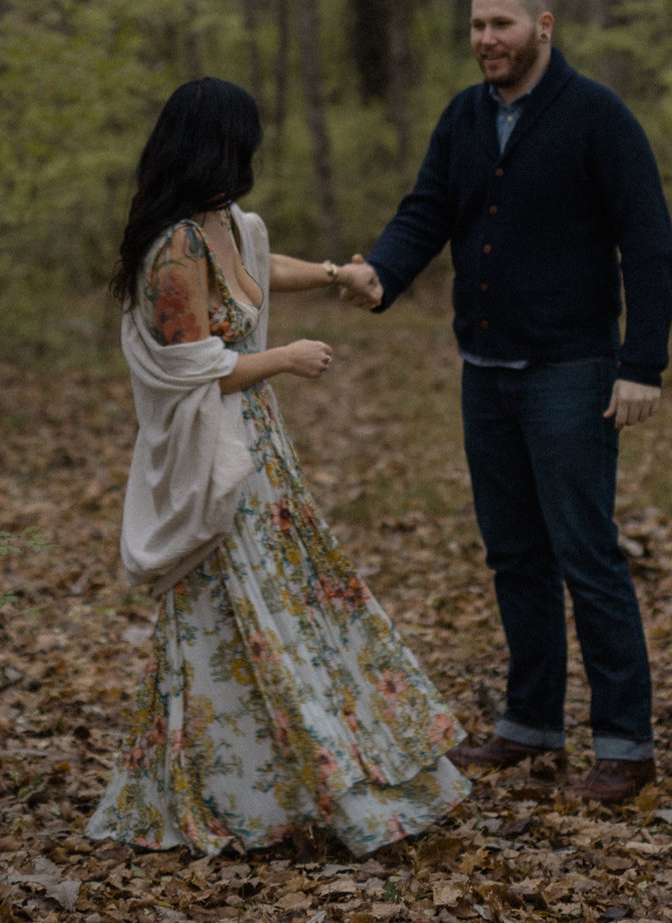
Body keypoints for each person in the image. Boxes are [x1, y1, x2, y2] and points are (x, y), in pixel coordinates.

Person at [86, 77, 471, 857]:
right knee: (235, 615)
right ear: (214, 145)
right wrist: (283, 358)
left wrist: (336, 274)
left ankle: (305, 772)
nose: (251, 154)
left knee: (290, 603)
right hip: (217, 453)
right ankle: (239, 786)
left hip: (260, 449)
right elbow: (198, 368)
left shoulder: (222, 221)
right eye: (243, 140)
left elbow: (264, 259)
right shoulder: (173, 248)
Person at [331, 0, 672, 806]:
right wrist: (383, 271)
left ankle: (626, 746)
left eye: (502, 24)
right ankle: (530, 723)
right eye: (477, 25)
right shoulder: (464, 116)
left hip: (572, 372)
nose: (487, 38)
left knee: (585, 554)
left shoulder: (598, 117)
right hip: (486, 373)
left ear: (543, 26)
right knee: (514, 555)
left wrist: (642, 364)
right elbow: (426, 211)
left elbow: (650, 241)